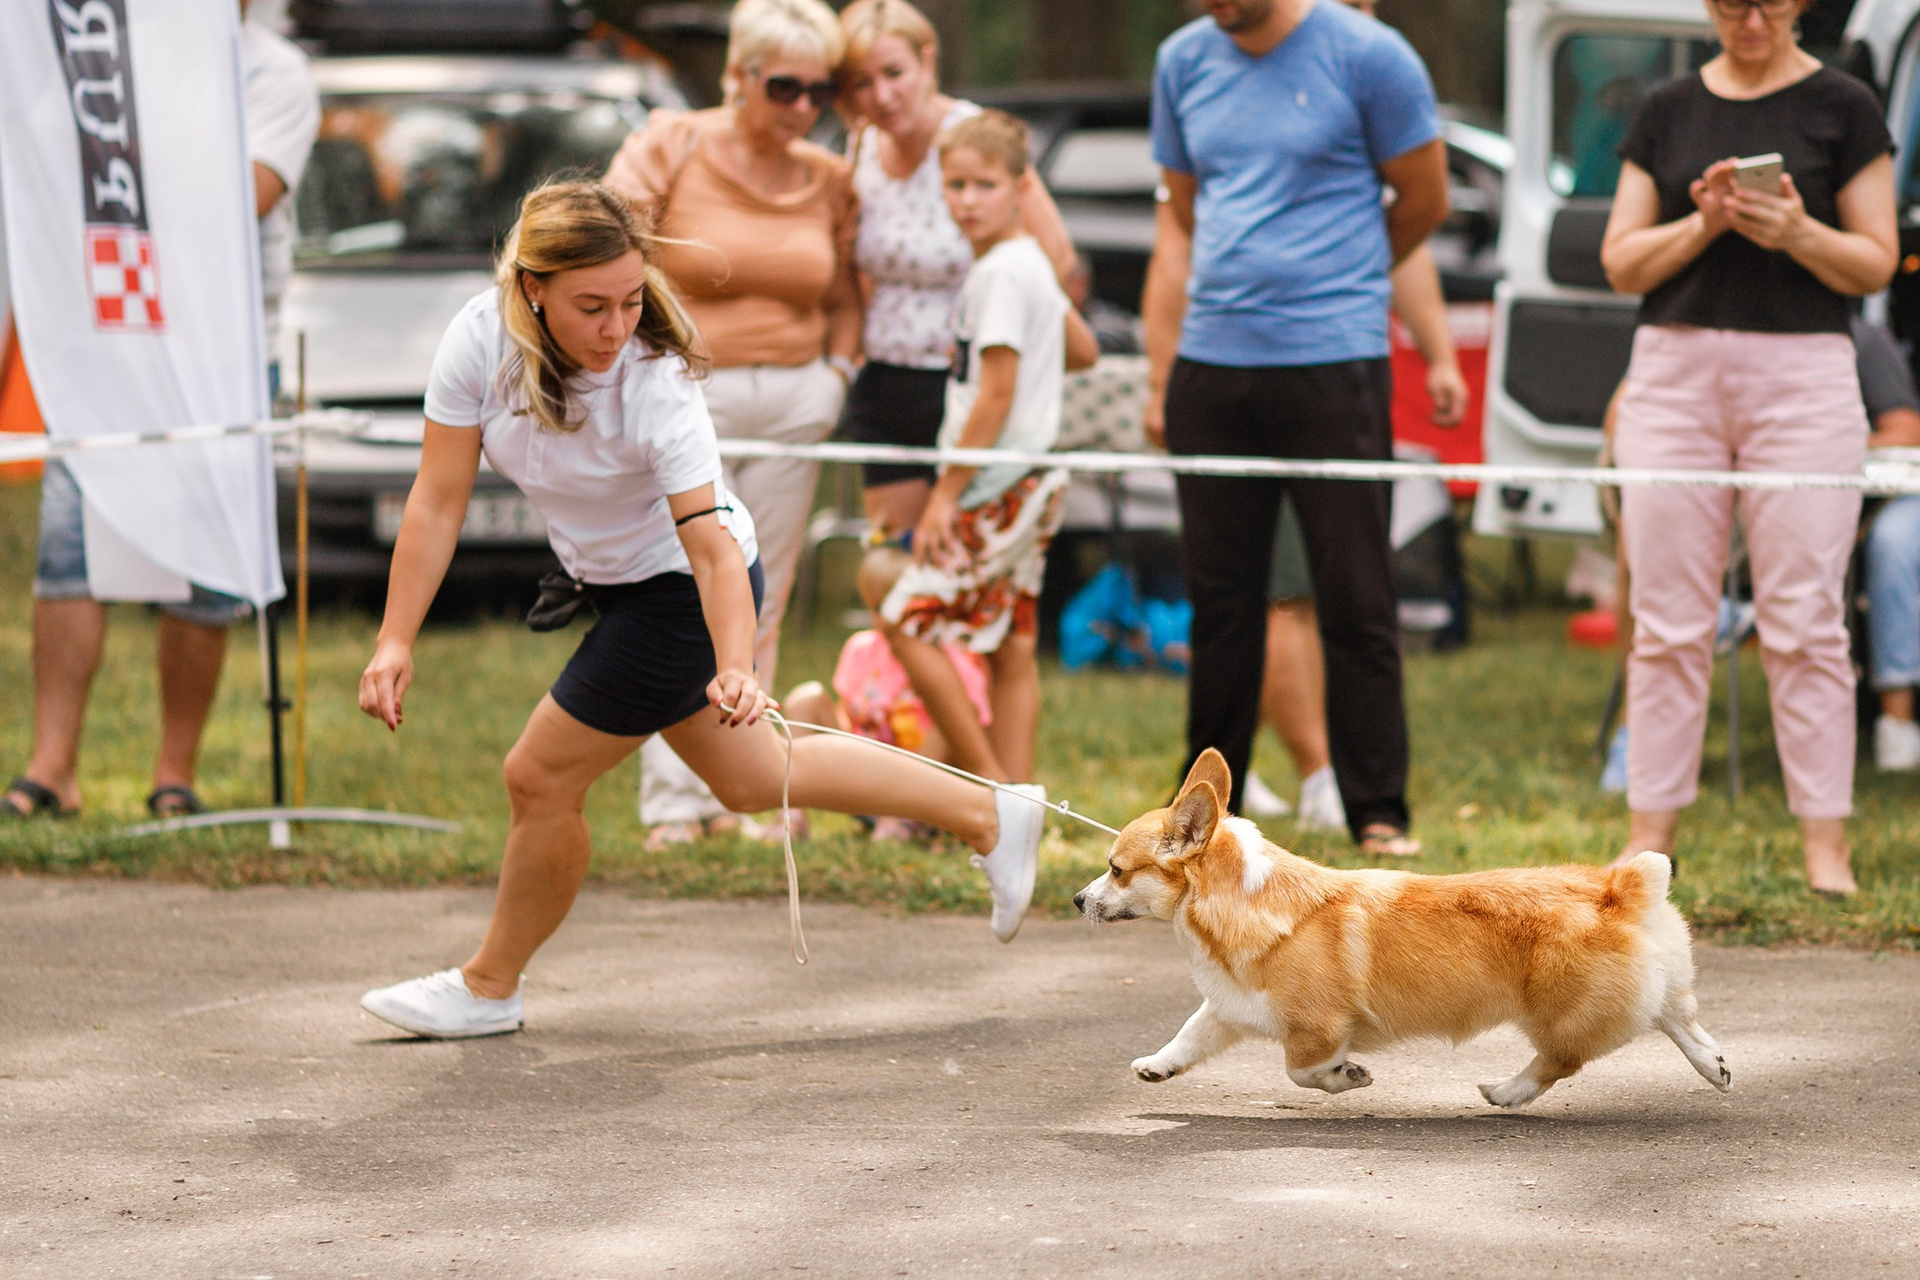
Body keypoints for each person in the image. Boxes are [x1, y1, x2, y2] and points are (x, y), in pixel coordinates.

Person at [355, 183, 1049, 1039]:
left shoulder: (657, 379)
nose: (616, 326)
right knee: (752, 779)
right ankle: (993, 814)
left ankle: (488, 986)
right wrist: (394, 640)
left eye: (631, 300)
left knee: (539, 775)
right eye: (591, 306)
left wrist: (735, 663)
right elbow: (436, 501)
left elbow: (713, 549)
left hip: (681, 594)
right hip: (623, 589)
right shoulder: (477, 341)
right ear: (531, 289)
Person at [1599, 0, 1896, 896]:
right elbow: (1621, 262)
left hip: (1804, 373)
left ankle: (1826, 849)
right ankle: (1648, 840)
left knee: (1805, 617)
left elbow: (1876, 261)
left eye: (1768, 1)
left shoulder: (1845, 104)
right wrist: (1706, 223)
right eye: (1732, 2)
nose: (1751, 18)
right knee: (1666, 621)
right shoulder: (1667, 107)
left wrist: (1796, 230)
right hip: (1675, 370)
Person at [1142, 0, 1449, 855]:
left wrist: (1341, 271)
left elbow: (1426, 199)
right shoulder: (1181, 60)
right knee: (1221, 603)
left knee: (1355, 594)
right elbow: (1184, 209)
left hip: (1333, 359)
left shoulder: (1371, 54)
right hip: (1213, 364)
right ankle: (1203, 816)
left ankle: (1377, 810)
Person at [4, 2, 318, 820]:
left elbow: (238, 206)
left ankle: (174, 773)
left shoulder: (275, 71)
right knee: (69, 556)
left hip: (222, 356)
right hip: (108, 344)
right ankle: (51, 768)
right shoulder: (111, 61)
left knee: (205, 569)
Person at [603, 0, 860, 848]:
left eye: (820, 91)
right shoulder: (672, 142)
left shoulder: (828, 175)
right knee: (683, 587)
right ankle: (673, 801)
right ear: (738, 75)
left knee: (762, 595)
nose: (803, 107)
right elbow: (609, 252)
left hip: (794, 399)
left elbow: (847, 291)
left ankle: (743, 790)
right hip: (689, 393)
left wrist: (835, 377)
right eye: (785, 86)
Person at [875, 112, 1100, 786]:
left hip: (993, 483)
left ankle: (980, 784)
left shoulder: (1001, 273)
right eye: (955, 185)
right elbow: (1083, 350)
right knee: (1012, 648)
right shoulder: (1030, 264)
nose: (968, 200)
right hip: (1032, 476)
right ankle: (1018, 805)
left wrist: (946, 493)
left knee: (906, 620)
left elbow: (995, 395)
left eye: (986, 185)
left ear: (1022, 187)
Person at [836, 0, 1076, 539]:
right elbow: (864, 260)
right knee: (895, 557)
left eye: (894, 73)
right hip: (888, 379)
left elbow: (1056, 256)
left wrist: (1001, 338)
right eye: (861, 83)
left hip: (969, 384)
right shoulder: (862, 145)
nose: (882, 96)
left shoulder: (972, 137)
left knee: (962, 558)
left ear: (927, 60)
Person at [782, 545, 995, 843]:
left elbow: (970, 734)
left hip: (928, 792)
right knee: (806, 698)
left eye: (892, 605)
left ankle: (903, 818)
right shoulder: (862, 649)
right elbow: (849, 716)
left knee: (950, 722)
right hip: (867, 780)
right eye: (874, 605)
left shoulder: (953, 659)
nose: (882, 617)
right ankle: (790, 815)